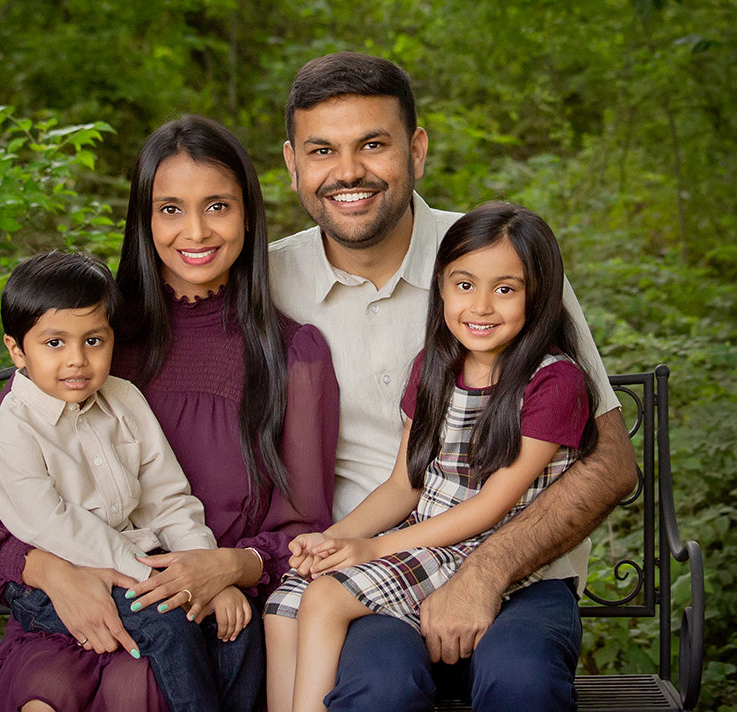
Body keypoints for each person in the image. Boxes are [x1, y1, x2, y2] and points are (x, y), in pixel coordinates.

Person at [0, 115, 338, 712]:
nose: (194, 231)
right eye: (170, 208)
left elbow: (301, 532)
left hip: (212, 612)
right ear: (143, 219)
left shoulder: (291, 356)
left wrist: (227, 567)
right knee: (51, 693)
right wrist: (47, 571)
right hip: (77, 597)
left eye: (217, 206)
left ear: (248, 213)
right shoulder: (92, 336)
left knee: (138, 682)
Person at [264, 52, 636, 711]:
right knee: (375, 690)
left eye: (373, 144)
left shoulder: (501, 258)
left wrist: (485, 573)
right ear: (293, 162)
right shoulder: (265, 285)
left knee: (522, 682)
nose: (347, 171)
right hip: (379, 578)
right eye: (322, 150)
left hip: (523, 577)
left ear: (417, 150)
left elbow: (609, 466)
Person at [265, 201, 599, 712]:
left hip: (484, 549)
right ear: (440, 287)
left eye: (505, 289)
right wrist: (333, 541)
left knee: (326, 598)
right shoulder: (435, 367)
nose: (481, 306)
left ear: (540, 297)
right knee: (287, 597)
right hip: (429, 544)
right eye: (464, 285)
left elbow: (490, 509)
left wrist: (374, 550)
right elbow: (405, 485)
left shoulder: (553, 381)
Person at [0, 249, 251, 712]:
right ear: (16, 349)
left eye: (94, 341)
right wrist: (152, 578)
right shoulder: (13, 430)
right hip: (60, 581)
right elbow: (57, 528)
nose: (77, 361)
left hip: (136, 562)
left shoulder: (123, 399)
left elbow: (167, 496)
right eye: (55, 343)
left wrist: (204, 571)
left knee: (235, 617)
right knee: (170, 621)